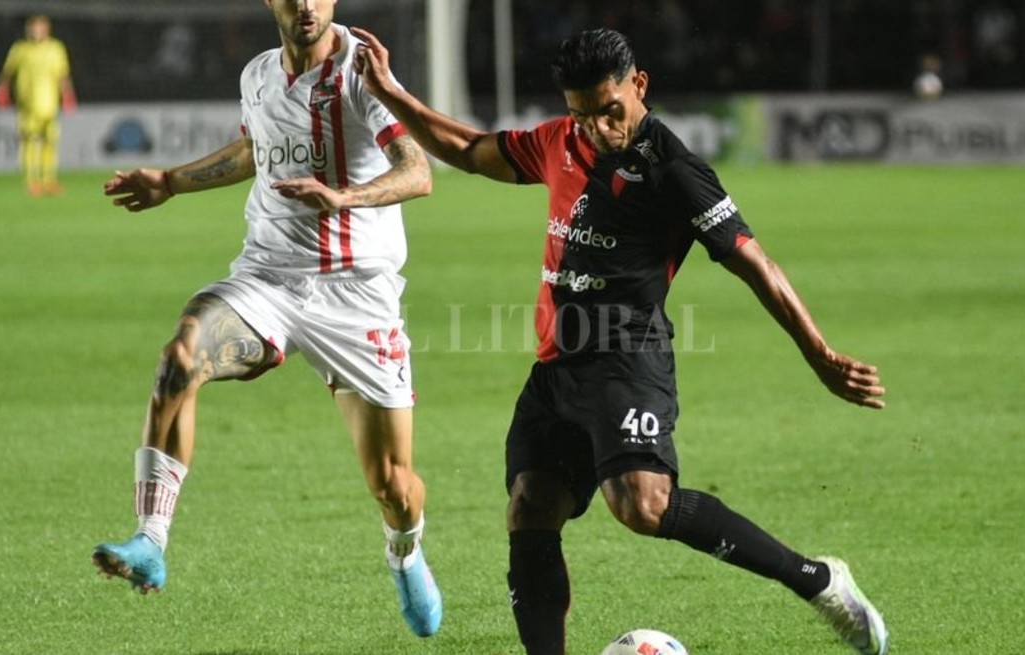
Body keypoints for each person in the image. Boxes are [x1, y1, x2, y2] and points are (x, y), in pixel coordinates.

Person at [353, 26, 889, 655]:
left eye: (609, 111)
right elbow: (470, 148)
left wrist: (819, 355)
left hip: (627, 355)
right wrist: (390, 91)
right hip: (556, 367)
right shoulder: (560, 141)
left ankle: (819, 582)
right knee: (531, 506)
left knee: (641, 504)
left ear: (639, 86)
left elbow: (757, 264)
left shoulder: (676, 171)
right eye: (580, 114)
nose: (597, 129)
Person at [92, 0, 442, 638]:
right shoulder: (257, 74)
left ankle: (404, 550)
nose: (305, 5)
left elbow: (418, 172)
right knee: (180, 359)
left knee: (393, 484)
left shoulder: (363, 70)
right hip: (268, 279)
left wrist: (344, 197)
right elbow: (256, 150)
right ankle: (151, 539)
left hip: (358, 296)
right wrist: (172, 181)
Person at [0, 14, 76, 196]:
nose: (37, 31)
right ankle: (32, 181)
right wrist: (1, 90)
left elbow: (63, 75)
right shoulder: (20, 49)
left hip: (50, 105)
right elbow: (8, 72)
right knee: (29, 141)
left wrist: (68, 95)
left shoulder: (56, 48)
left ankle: (49, 179)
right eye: (34, 28)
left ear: (47, 29)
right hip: (28, 105)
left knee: (50, 142)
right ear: (28, 30)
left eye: (41, 28)